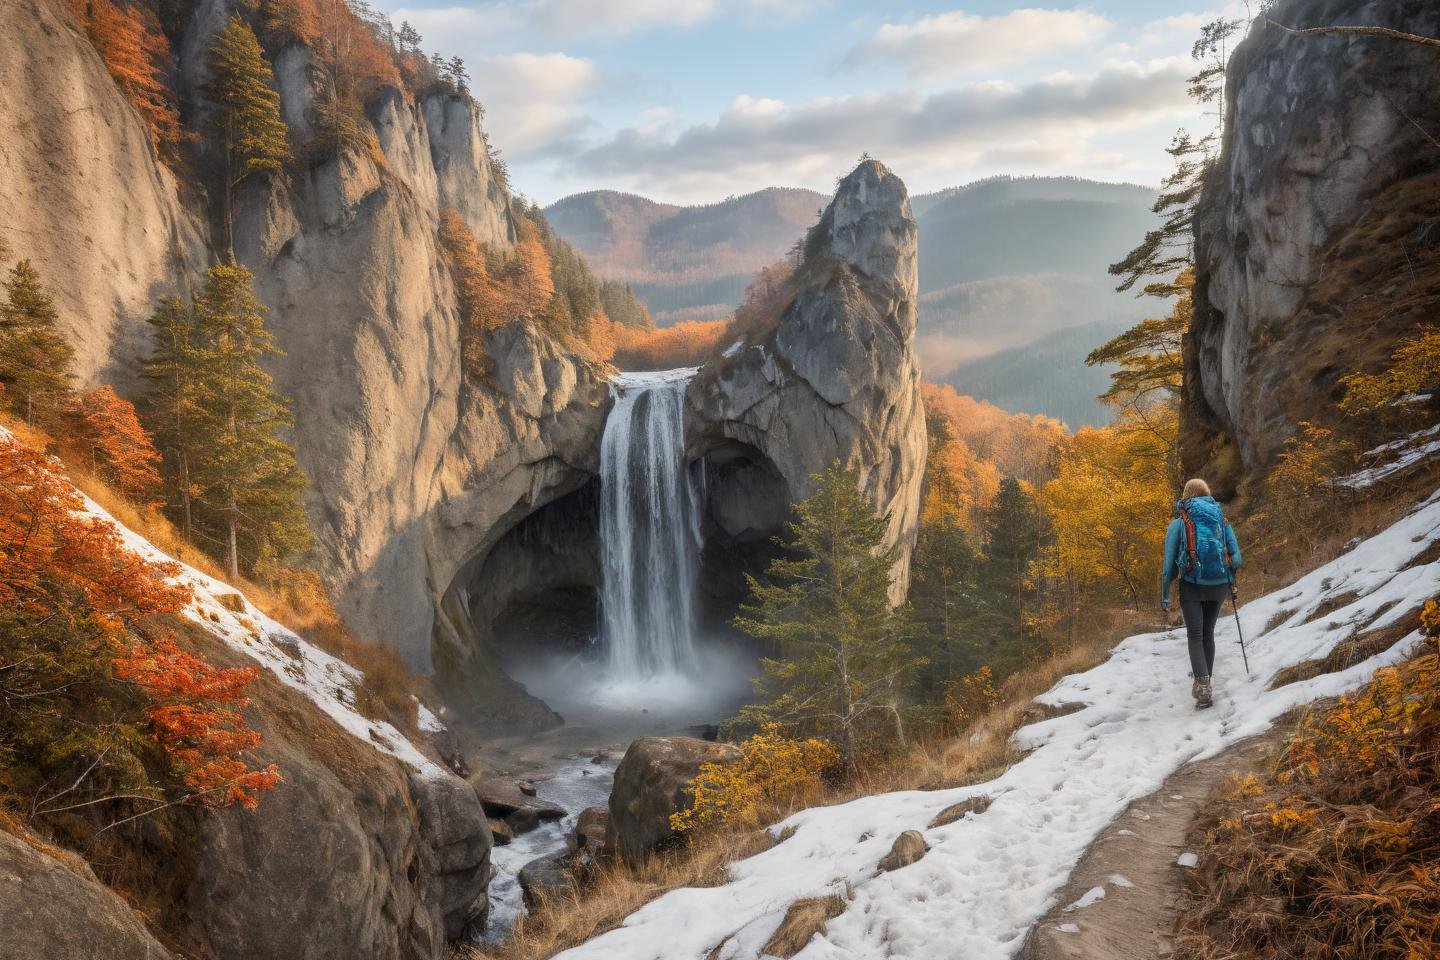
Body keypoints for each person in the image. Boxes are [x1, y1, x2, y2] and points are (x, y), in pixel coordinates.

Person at [1160, 478, 1242, 708]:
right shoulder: (1221, 521)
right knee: (1208, 633)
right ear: (1207, 494)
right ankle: (1206, 680)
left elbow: (1168, 567)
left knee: (1195, 635)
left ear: (1186, 497)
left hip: (1192, 585)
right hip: (1219, 585)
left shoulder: (1179, 524)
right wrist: (1230, 575)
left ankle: (1203, 684)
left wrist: (1165, 596)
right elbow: (1237, 558)